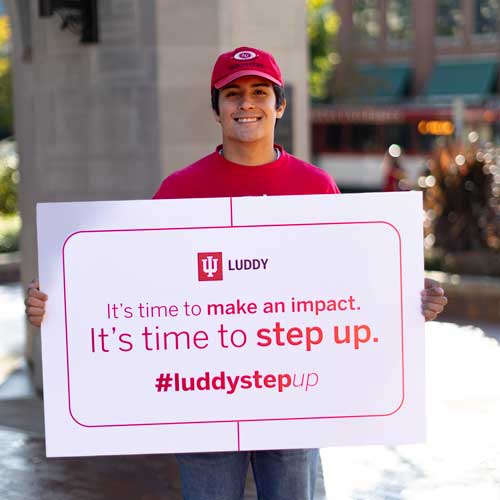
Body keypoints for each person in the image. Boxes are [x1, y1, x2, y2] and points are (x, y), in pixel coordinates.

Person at [25, 46, 448, 500]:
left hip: (295, 392)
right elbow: (134, 286)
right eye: (233, 94)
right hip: (205, 397)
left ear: (279, 105)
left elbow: (350, 284)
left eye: (260, 92)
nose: (246, 103)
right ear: (217, 108)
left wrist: (409, 297)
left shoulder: (316, 188)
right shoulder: (179, 191)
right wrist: (59, 303)